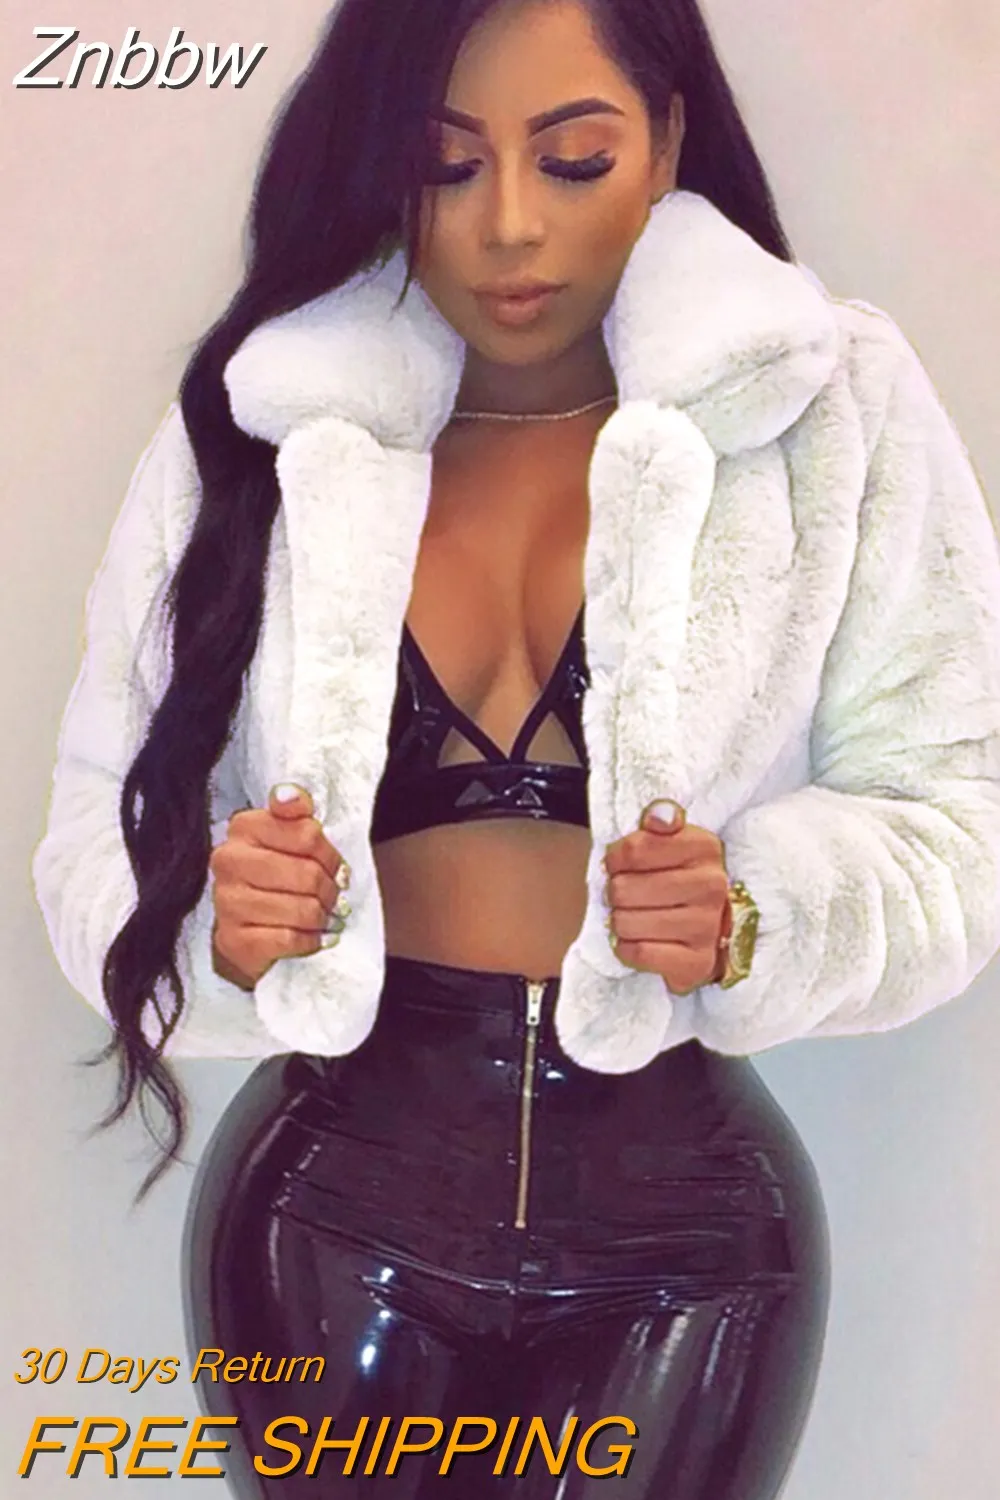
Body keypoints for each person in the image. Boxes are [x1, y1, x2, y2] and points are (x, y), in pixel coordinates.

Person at [31, 0, 1000, 1495]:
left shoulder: (824, 405)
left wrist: (758, 913)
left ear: (666, 137)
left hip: (693, 1238)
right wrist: (213, 919)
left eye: (574, 158)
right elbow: (101, 816)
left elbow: (955, 811)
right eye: (445, 163)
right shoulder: (272, 421)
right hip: (328, 1213)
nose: (508, 227)